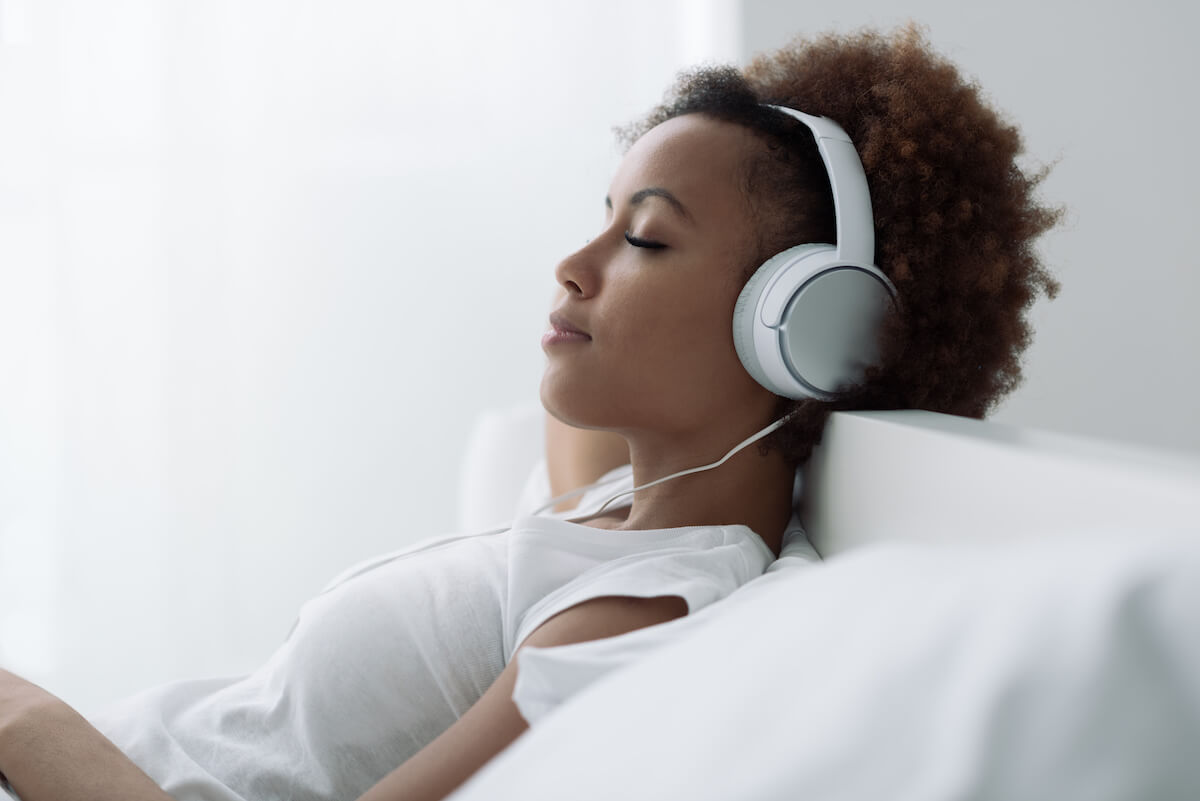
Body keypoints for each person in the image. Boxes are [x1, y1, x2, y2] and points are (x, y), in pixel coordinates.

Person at [0, 24, 1059, 801]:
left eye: (645, 239)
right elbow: (573, 421)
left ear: (799, 328)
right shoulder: (623, 510)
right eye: (601, 218)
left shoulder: (640, 611)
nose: (573, 262)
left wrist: (25, 718)